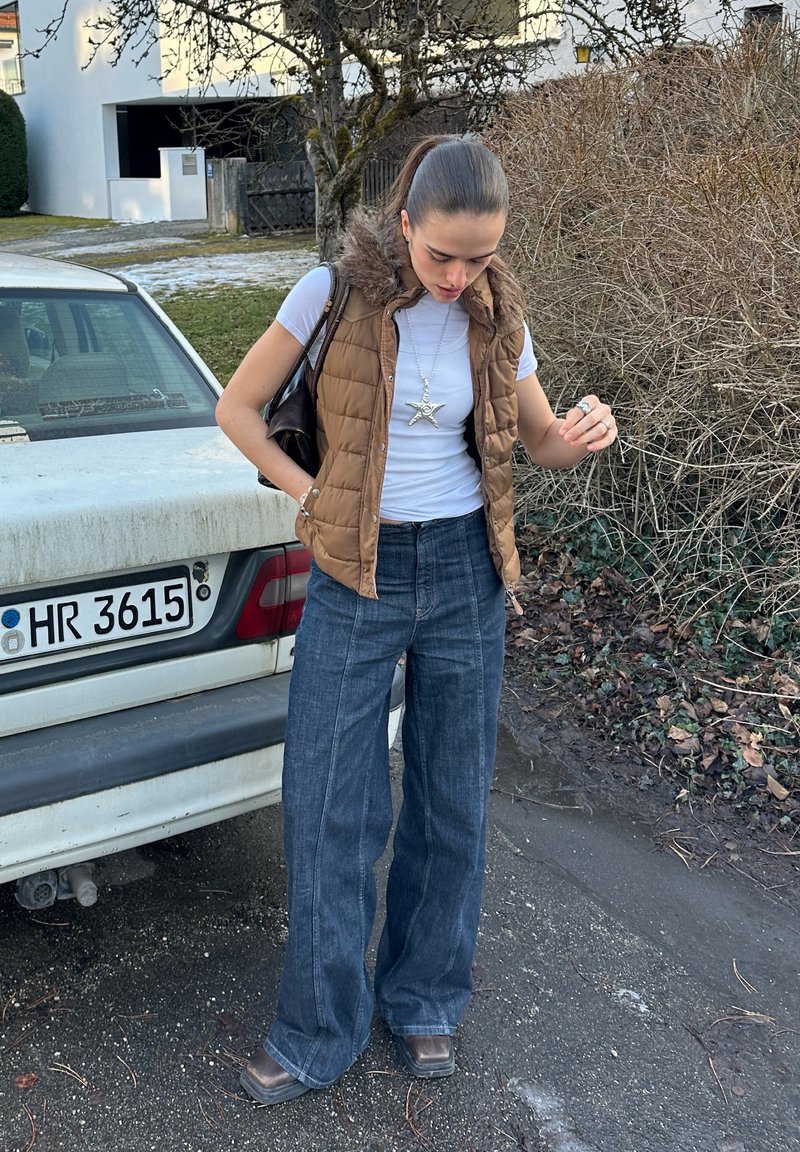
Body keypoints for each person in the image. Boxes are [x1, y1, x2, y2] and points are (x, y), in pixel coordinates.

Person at [215, 134, 617, 1106]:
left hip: (464, 573)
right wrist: (307, 494)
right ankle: (316, 1032)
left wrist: (573, 438)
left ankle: (425, 999)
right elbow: (237, 409)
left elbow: (537, 442)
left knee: (449, 800)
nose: (458, 275)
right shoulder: (329, 296)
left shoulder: (497, 313)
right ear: (403, 224)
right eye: (442, 254)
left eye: (480, 256)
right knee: (329, 806)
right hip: (357, 571)